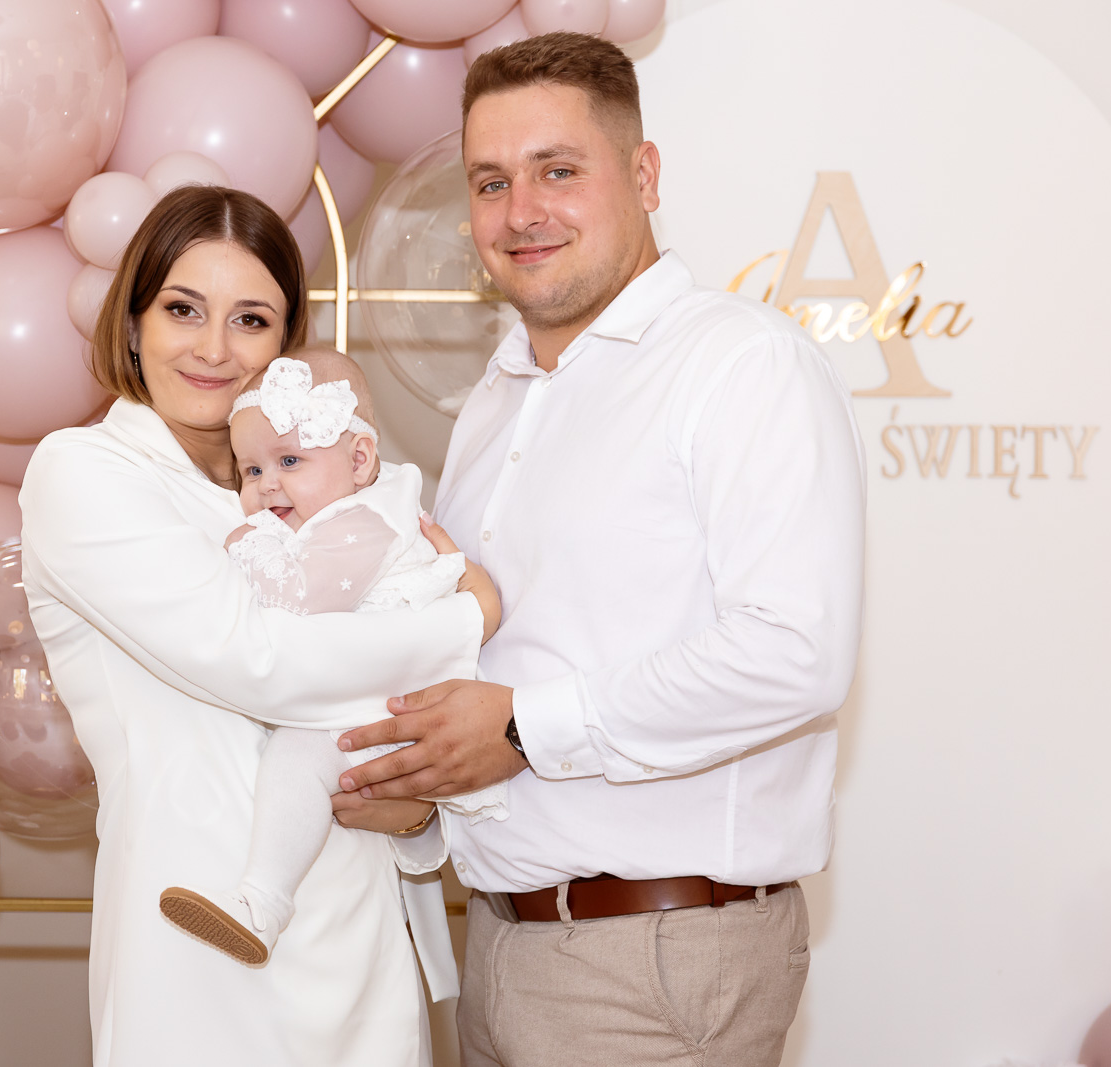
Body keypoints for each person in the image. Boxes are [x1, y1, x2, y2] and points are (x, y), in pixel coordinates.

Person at [336, 32, 867, 1067]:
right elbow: (507, 666)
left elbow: (794, 652)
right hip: (500, 942)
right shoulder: (497, 400)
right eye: (491, 181)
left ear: (644, 175)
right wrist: (422, 793)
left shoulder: (741, 365)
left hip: (656, 960)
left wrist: (523, 727)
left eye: (558, 171)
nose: (520, 212)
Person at [18, 185, 494, 1067]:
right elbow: (257, 659)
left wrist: (412, 808)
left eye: (251, 320)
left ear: (286, 349)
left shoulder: (329, 487)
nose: (214, 347)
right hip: (199, 936)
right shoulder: (84, 473)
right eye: (182, 309)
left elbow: (392, 707)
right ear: (133, 323)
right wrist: (468, 617)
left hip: (355, 933)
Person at [160, 349, 506, 967]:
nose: (267, 484)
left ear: (359, 460)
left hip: (402, 710)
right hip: (376, 695)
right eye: (250, 470)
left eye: (290, 461)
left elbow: (300, 602)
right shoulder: (334, 516)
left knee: (298, 756)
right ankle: (261, 903)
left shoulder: (366, 519)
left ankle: (263, 902)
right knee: (296, 758)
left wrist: (242, 544)